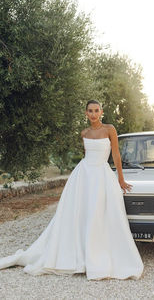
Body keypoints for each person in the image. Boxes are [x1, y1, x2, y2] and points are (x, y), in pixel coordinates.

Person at [0, 99, 144, 280]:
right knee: (80, 213)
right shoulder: (84, 132)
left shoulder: (110, 130)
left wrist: (120, 179)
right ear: (86, 113)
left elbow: (115, 154)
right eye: (90, 111)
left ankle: (97, 254)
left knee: (99, 213)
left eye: (96, 110)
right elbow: (86, 155)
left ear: (101, 112)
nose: (93, 114)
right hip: (83, 176)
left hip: (101, 175)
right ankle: (78, 254)